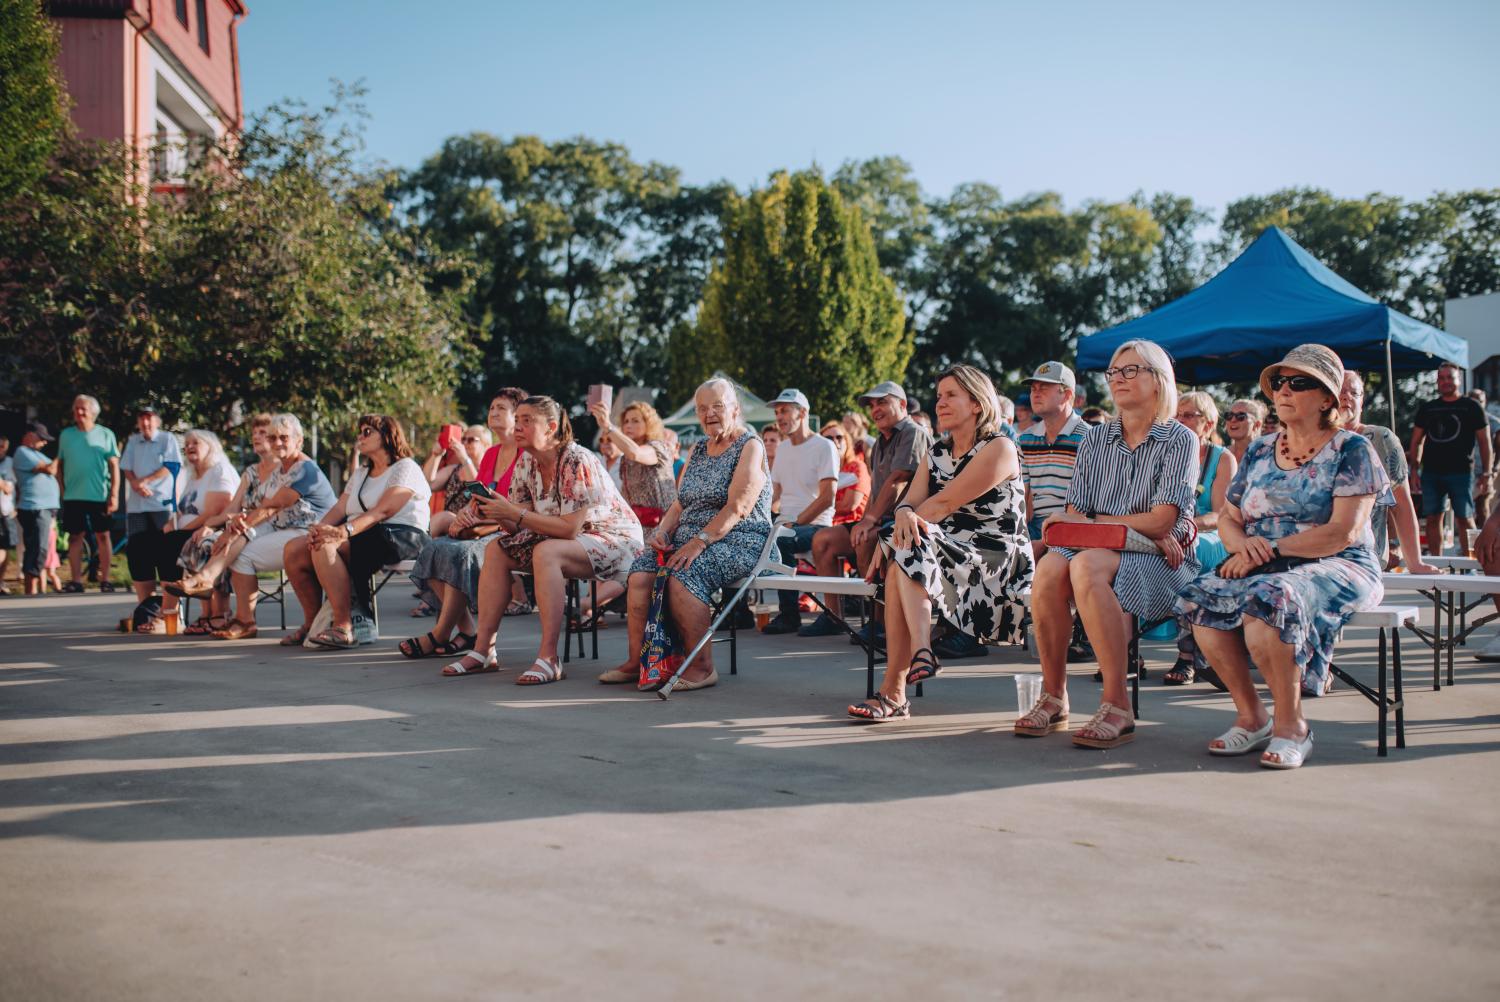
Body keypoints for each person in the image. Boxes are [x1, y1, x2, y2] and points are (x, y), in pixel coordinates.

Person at [1178, 345, 1391, 769]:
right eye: (1279, 382)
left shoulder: (1352, 449)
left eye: (1299, 383)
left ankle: (1292, 726)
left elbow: (1343, 532)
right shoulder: (1260, 450)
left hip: (1338, 562)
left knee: (1270, 598)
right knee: (1200, 596)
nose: (1284, 391)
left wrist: (1270, 551)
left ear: (1327, 399)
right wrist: (1243, 546)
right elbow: (1229, 517)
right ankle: (1252, 716)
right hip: (1264, 561)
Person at [1017, 339, 1198, 749]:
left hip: (1161, 558)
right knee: (1049, 568)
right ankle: (1054, 695)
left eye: (1131, 370)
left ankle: (1117, 703)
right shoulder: (1095, 440)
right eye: (1114, 372)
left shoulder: (1179, 439)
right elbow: (1074, 514)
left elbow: (1163, 521)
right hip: (1103, 547)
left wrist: (1099, 522)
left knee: (1085, 565)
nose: (1118, 379)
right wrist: (1112, 524)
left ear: (1159, 380)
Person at [846, 365, 1034, 721]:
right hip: (944, 548)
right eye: (938, 396)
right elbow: (909, 503)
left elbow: (944, 504)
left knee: (905, 546)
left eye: (951, 395)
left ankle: (900, 684)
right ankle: (916, 662)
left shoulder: (1000, 447)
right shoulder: (936, 452)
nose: (940, 403)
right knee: (903, 554)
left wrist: (897, 530)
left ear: (977, 403)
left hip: (995, 557)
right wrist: (902, 517)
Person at [444, 396, 643, 683]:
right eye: (517, 420)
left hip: (614, 538)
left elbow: (569, 529)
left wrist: (512, 512)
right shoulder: (526, 460)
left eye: (527, 420)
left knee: (546, 552)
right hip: (562, 538)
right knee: (496, 549)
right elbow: (514, 525)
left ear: (550, 427)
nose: (517, 426)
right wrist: (492, 510)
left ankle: (549, 658)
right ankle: (484, 650)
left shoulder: (576, 459)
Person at [597, 378, 772, 689]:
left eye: (717, 406)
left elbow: (739, 507)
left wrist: (698, 542)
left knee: (684, 573)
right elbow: (679, 503)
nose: (709, 413)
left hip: (740, 538)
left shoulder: (750, 445)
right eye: (702, 408)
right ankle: (641, 661)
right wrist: (662, 532)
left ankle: (701, 666)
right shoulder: (699, 448)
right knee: (640, 573)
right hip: (690, 537)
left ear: (734, 408)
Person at [172, 414, 336, 640]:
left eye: (284, 437)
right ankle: (241, 618)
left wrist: (234, 530)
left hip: (310, 532)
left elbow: (271, 508)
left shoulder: (305, 469)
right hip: (284, 528)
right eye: (273, 437)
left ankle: (209, 583)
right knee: (239, 549)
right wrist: (235, 525)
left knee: (241, 547)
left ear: (298, 441)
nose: (278, 442)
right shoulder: (280, 471)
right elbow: (261, 508)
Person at [400, 388, 528, 658]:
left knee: (459, 553)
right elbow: (477, 497)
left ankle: (440, 634)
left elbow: (522, 506)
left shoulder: (526, 455)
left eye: (501, 408)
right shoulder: (491, 454)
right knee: (433, 549)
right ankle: (468, 631)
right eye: (492, 407)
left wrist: (479, 519)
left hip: (513, 529)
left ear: (518, 416)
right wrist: (463, 516)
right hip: (483, 528)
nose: (493, 412)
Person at [284, 415, 431, 649]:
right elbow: (340, 507)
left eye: (367, 432)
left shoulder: (405, 467)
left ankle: (343, 626)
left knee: (326, 545)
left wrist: (343, 531)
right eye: (359, 432)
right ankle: (313, 624)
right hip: (361, 532)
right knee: (294, 549)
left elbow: (384, 510)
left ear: (387, 435)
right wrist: (317, 528)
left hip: (399, 535)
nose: (360, 437)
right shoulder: (362, 472)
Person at [801, 382, 931, 641]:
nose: (875, 409)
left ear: (902, 404)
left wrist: (868, 521)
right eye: (872, 405)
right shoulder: (880, 440)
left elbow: (898, 480)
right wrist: (864, 521)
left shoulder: (912, 431)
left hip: (911, 520)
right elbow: (876, 490)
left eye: (882, 402)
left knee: (867, 540)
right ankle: (833, 617)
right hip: (884, 518)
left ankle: (881, 622)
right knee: (823, 540)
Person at [171, 414, 278, 634]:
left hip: (267, 527)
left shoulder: (282, 470)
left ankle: (220, 613)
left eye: (262, 433)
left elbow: (271, 509)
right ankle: (207, 612)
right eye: (254, 433)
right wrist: (209, 525)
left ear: (275, 438)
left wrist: (234, 523)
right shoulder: (250, 472)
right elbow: (233, 507)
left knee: (219, 542)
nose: (256, 437)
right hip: (246, 525)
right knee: (202, 540)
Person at [1163, 391, 1238, 684]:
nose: (1180, 420)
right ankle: (1129, 652)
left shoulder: (1222, 459)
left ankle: (1188, 655)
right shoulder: (1167, 453)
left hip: (1209, 534)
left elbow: (1221, 514)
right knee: (1131, 553)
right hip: (1169, 531)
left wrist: (1185, 526)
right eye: (1177, 415)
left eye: (1188, 415)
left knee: (1191, 550)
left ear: (1208, 423)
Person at [1340, 371, 1436, 576]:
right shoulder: (1309, 439)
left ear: (1362, 401)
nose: (1346, 397)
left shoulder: (1380, 439)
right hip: (1314, 557)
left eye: (1354, 393)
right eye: (1341, 391)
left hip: (1364, 560)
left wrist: (1415, 563)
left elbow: (1401, 504)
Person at [760, 388, 839, 635]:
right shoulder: (783, 448)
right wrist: (758, 517)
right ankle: (738, 612)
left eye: (784, 411)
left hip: (817, 525)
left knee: (781, 539)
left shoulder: (824, 446)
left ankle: (789, 615)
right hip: (788, 523)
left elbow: (827, 498)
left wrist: (794, 523)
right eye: (777, 412)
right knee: (746, 536)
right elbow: (775, 493)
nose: (779, 417)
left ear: (802, 413)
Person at [148, 430, 239, 632]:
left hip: (215, 528)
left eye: (195, 442)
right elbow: (183, 509)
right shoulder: (193, 476)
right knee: (149, 543)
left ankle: (171, 614)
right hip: (191, 530)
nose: (189, 446)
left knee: (171, 543)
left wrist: (182, 529)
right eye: (187, 444)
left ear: (211, 446)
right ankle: (165, 610)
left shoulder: (219, 470)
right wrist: (172, 524)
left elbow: (216, 510)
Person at [1410, 362, 1490, 557]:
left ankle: (1470, 564)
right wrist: (1414, 470)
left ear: (1458, 380)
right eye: (1441, 378)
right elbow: (1416, 441)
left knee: (1465, 518)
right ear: (1437, 381)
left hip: (1462, 472)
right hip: (1431, 473)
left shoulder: (1472, 407)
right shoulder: (1428, 408)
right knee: (1432, 518)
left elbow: (1484, 441)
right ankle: (1436, 562)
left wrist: (1487, 473)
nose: (1445, 381)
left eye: (1450, 377)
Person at [120, 405, 184, 606]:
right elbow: (126, 467)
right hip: (137, 507)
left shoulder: (167, 439)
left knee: (165, 553)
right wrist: (135, 483)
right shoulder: (133, 440)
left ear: (157, 421)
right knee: (139, 553)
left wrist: (145, 481)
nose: (145, 422)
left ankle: (170, 606)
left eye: (149, 418)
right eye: (142, 418)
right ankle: (146, 606)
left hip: (161, 504)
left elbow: (172, 465)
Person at [57, 394, 120, 592]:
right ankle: (76, 581)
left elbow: (114, 466)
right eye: (76, 408)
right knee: (75, 538)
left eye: (83, 408)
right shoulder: (66, 435)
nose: (79, 412)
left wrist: (114, 494)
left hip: (99, 495)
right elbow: (59, 465)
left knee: (103, 536)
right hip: (73, 496)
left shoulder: (106, 434)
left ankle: (106, 580)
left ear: (93, 412)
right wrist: (62, 490)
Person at [12, 424, 61, 596]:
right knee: (38, 548)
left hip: (45, 508)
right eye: (42, 438)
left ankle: (32, 590)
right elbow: (50, 469)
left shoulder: (38, 454)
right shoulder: (22, 451)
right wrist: (62, 454)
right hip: (35, 507)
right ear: (29, 435)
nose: (44, 442)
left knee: (39, 548)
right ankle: (30, 591)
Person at [426, 425, 492, 538]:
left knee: (443, 517)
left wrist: (464, 458)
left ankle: (417, 545)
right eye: (463, 439)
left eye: (471, 440)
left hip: (470, 523)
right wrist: (436, 455)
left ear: (486, 445)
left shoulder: (489, 472)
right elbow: (429, 484)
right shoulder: (454, 469)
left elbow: (478, 489)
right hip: (448, 523)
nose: (465, 443)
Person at [1224, 399, 1266, 464]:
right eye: (1229, 415)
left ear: (1256, 425)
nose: (1233, 420)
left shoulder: (1267, 455)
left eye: (1241, 416)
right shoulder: (1220, 455)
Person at [0, 437, 17, 593]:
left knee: (5, 547)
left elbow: (10, 488)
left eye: (3, 447)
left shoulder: (10, 463)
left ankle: (1, 581)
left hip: (6, 512)